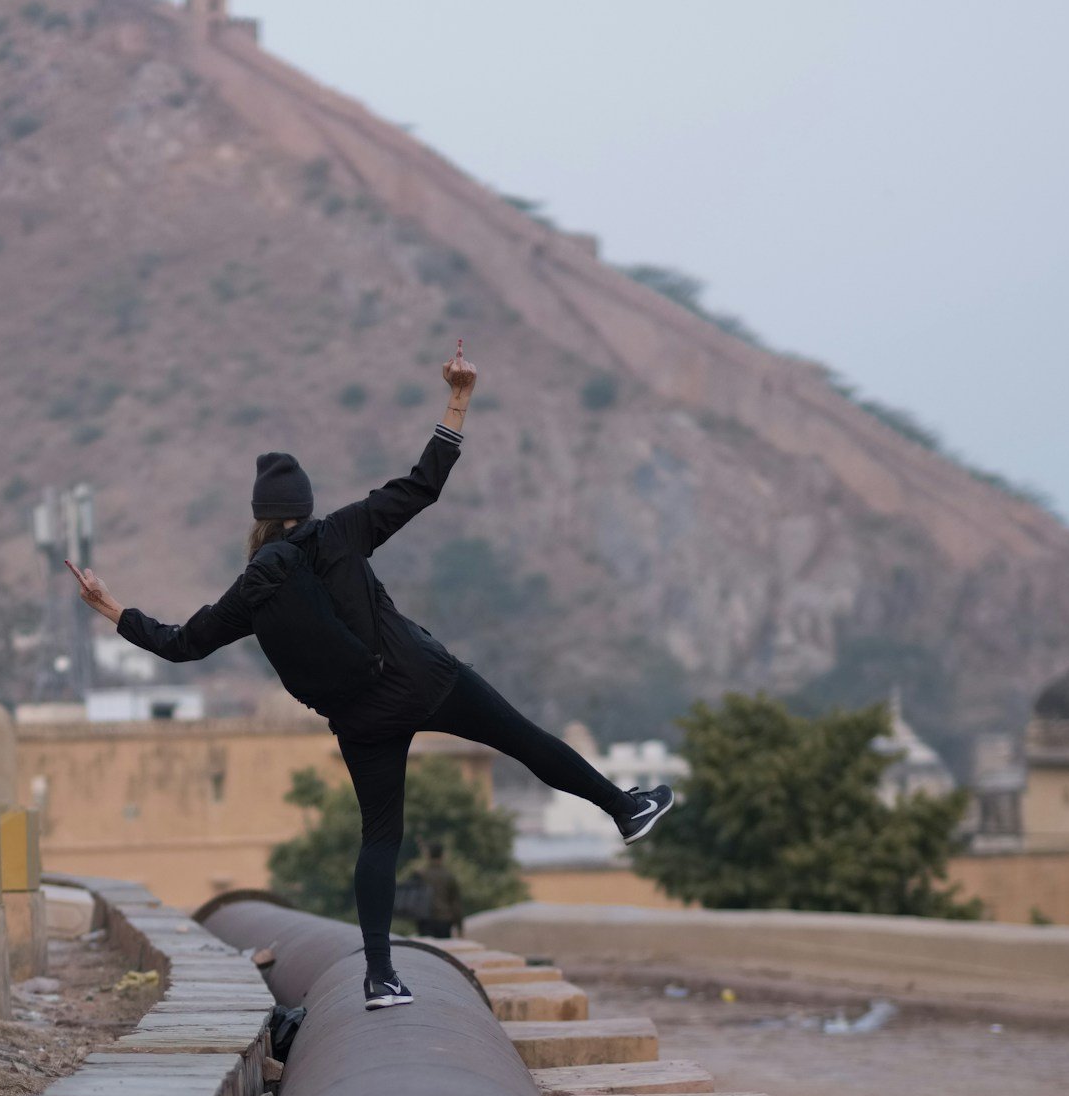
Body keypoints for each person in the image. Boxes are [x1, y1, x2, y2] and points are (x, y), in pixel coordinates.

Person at [70, 347, 671, 1009]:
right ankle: (624, 808)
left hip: (360, 719)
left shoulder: (250, 590)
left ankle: (380, 976)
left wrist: (110, 608)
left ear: (260, 517)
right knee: (525, 741)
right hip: (423, 678)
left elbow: (181, 645)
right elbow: (423, 484)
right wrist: (457, 399)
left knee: (380, 837)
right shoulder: (343, 532)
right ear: (304, 506)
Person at [412, 841, 463, 940]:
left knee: (426, 951)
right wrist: (459, 927)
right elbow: (456, 904)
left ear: (428, 856)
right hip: (444, 920)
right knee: (441, 952)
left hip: (425, 920)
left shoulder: (420, 875)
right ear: (442, 856)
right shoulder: (448, 876)